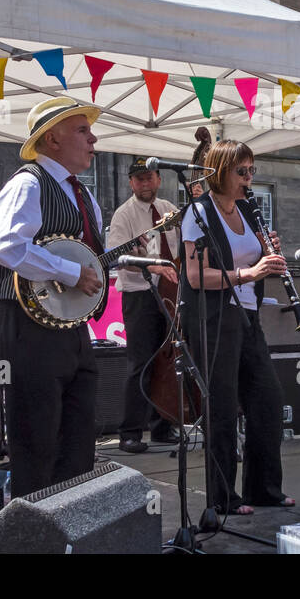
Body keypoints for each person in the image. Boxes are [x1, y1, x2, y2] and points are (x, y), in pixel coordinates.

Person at [0, 97, 105, 497]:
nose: (93, 139)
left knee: (78, 433)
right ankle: (33, 531)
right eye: (82, 130)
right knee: (36, 435)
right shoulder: (28, 183)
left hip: (71, 327)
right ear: (52, 139)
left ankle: (72, 519)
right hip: (27, 326)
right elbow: (4, 245)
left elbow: (91, 255)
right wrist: (71, 273)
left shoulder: (84, 196)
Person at [179, 139, 293, 515]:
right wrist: (250, 272)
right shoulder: (198, 213)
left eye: (251, 171)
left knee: (268, 401)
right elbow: (196, 277)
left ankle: (263, 489)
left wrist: (268, 250)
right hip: (214, 319)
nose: (249, 178)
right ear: (220, 172)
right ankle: (223, 497)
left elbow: (255, 259)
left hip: (247, 315)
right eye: (241, 171)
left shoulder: (246, 210)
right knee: (222, 408)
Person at [107, 158, 182, 454]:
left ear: (159, 179)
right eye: (139, 179)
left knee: (168, 361)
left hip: (171, 292)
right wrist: (150, 266)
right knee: (141, 362)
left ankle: (162, 425)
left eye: (149, 177)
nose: (144, 183)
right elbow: (116, 256)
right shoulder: (123, 215)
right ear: (131, 183)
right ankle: (130, 432)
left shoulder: (169, 210)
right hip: (139, 294)